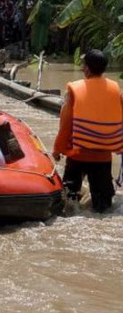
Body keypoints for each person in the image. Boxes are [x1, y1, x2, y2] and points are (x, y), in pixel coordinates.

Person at [53, 50, 123, 213]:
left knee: (68, 202)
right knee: (103, 207)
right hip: (103, 158)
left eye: (84, 64)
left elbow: (66, 125)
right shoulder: (116, 91)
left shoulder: (74, 90)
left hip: (78, 156)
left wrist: (57, 150)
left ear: (87, 69)